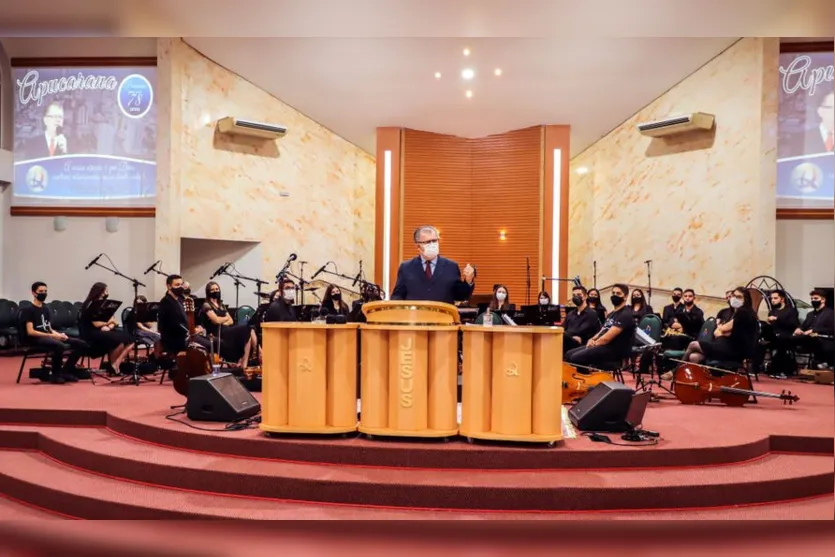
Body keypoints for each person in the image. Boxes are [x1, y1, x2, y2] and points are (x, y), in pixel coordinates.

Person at [20, 281, 88, 384]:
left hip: (48, 336)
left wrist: (58, 335)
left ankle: (66, 371)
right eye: (41, 291)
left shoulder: (45, 309)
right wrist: (51, 336)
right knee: (59, 346)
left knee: (80, 343)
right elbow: (30, 331)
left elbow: (49, 328)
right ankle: (56, 375)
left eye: (45, 291)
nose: (44, 293)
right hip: (35, 339)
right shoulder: (28, 310)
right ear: (34, 293)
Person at [390, 225, 475, 304]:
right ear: (418, 246)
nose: (432, 245)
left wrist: (468, 281)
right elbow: (398, 296)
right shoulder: (406, 267)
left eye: (434, 241)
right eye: (427, 242)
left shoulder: (451, 266)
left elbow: (460, 296)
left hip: (443, 317)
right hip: (415, 317)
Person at [679, 286, 758, 368]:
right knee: (694, 357)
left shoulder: (744, 312)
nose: (734, 298)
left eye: (739, 297)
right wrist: (725, 332)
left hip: (733, 350)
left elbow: (723, 329)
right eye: (734, 296)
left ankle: (676, 371)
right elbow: (719, 332)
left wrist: (723, 331)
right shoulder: (733, 312)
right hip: (724, 346)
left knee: (693, 344)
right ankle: (695, 378)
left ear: (746, 299)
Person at [565, 284, 635, 368]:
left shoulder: (625, 314)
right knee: (568, 354)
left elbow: (606, 338)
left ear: (625, 296)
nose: (615, 296)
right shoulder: (612, 314)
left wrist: (594, 344)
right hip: (602, 346)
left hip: (613, 350)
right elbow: (602, 331)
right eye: (613, 293)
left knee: (575, 357)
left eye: (618, 293)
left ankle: (585, 379)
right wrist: (592, 339)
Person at [78, 282, 134, 374]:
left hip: (102, 330)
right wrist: (109, 323)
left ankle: (115, 365)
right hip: (90, 332)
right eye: (105, 291)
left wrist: (109, 326)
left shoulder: (105, 304)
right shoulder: (90, 304)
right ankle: (115, 365)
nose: (107, 294)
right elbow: (96, 323)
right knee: (125, 338)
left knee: (126, 339)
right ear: (99, 292)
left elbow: (113, 320)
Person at [201, 281, 258, 367]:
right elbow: (216, 320)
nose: (215, 291)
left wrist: (222, 320)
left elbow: (230, 320)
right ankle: (252, 356)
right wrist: (224, 319)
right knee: (245, 328)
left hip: (226, 329)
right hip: (217, 332)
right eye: (212, 290)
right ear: (208, 292)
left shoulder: (221, 304)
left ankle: (245, 361)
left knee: (248, 328)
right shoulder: (206, 305)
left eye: (217, 289)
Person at [158, 274, 211, 354]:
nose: (180, 287)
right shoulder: (165, 302)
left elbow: (188, 316)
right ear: (169, 286)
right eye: (177, 285)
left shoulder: (181, 299)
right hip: (176, 338)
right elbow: (175, 324)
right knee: (209, 345)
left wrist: (197, 326)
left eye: (181, 284)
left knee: (214, 341)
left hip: (188, 335)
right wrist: (191, 330)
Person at [792, 289, 834, 368]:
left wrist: (813, 330)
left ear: (823, 300)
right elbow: (804, 325)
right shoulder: (810, 314)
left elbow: (832, 329)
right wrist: (799, 328)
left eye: (815, 298)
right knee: (789, 339)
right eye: (812, 299)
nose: (813, 300)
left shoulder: (830, 313)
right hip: (808, 339)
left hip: (823, 340)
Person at [765, 289, 800, 377]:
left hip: (786, 336)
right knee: (759, 341)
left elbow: (793, 324)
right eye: (771, 298)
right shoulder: (773, 311)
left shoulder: (791, 311)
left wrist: (778, 319)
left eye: (775, 298)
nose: (773, 300)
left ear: (782, 299)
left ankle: (780, 370)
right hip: (774, 335)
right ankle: (756, 369)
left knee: (781, 343)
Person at [562, 285, 601, 353]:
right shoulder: (570, 314)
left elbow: (581, 331)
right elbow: (562, 328)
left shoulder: (592, 313)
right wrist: (570, 336)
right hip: (568, 340)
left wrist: (568, 335)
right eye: (574, 295)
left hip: (582, 345)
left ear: (585, 297)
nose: (576, 297)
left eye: (579, 294)